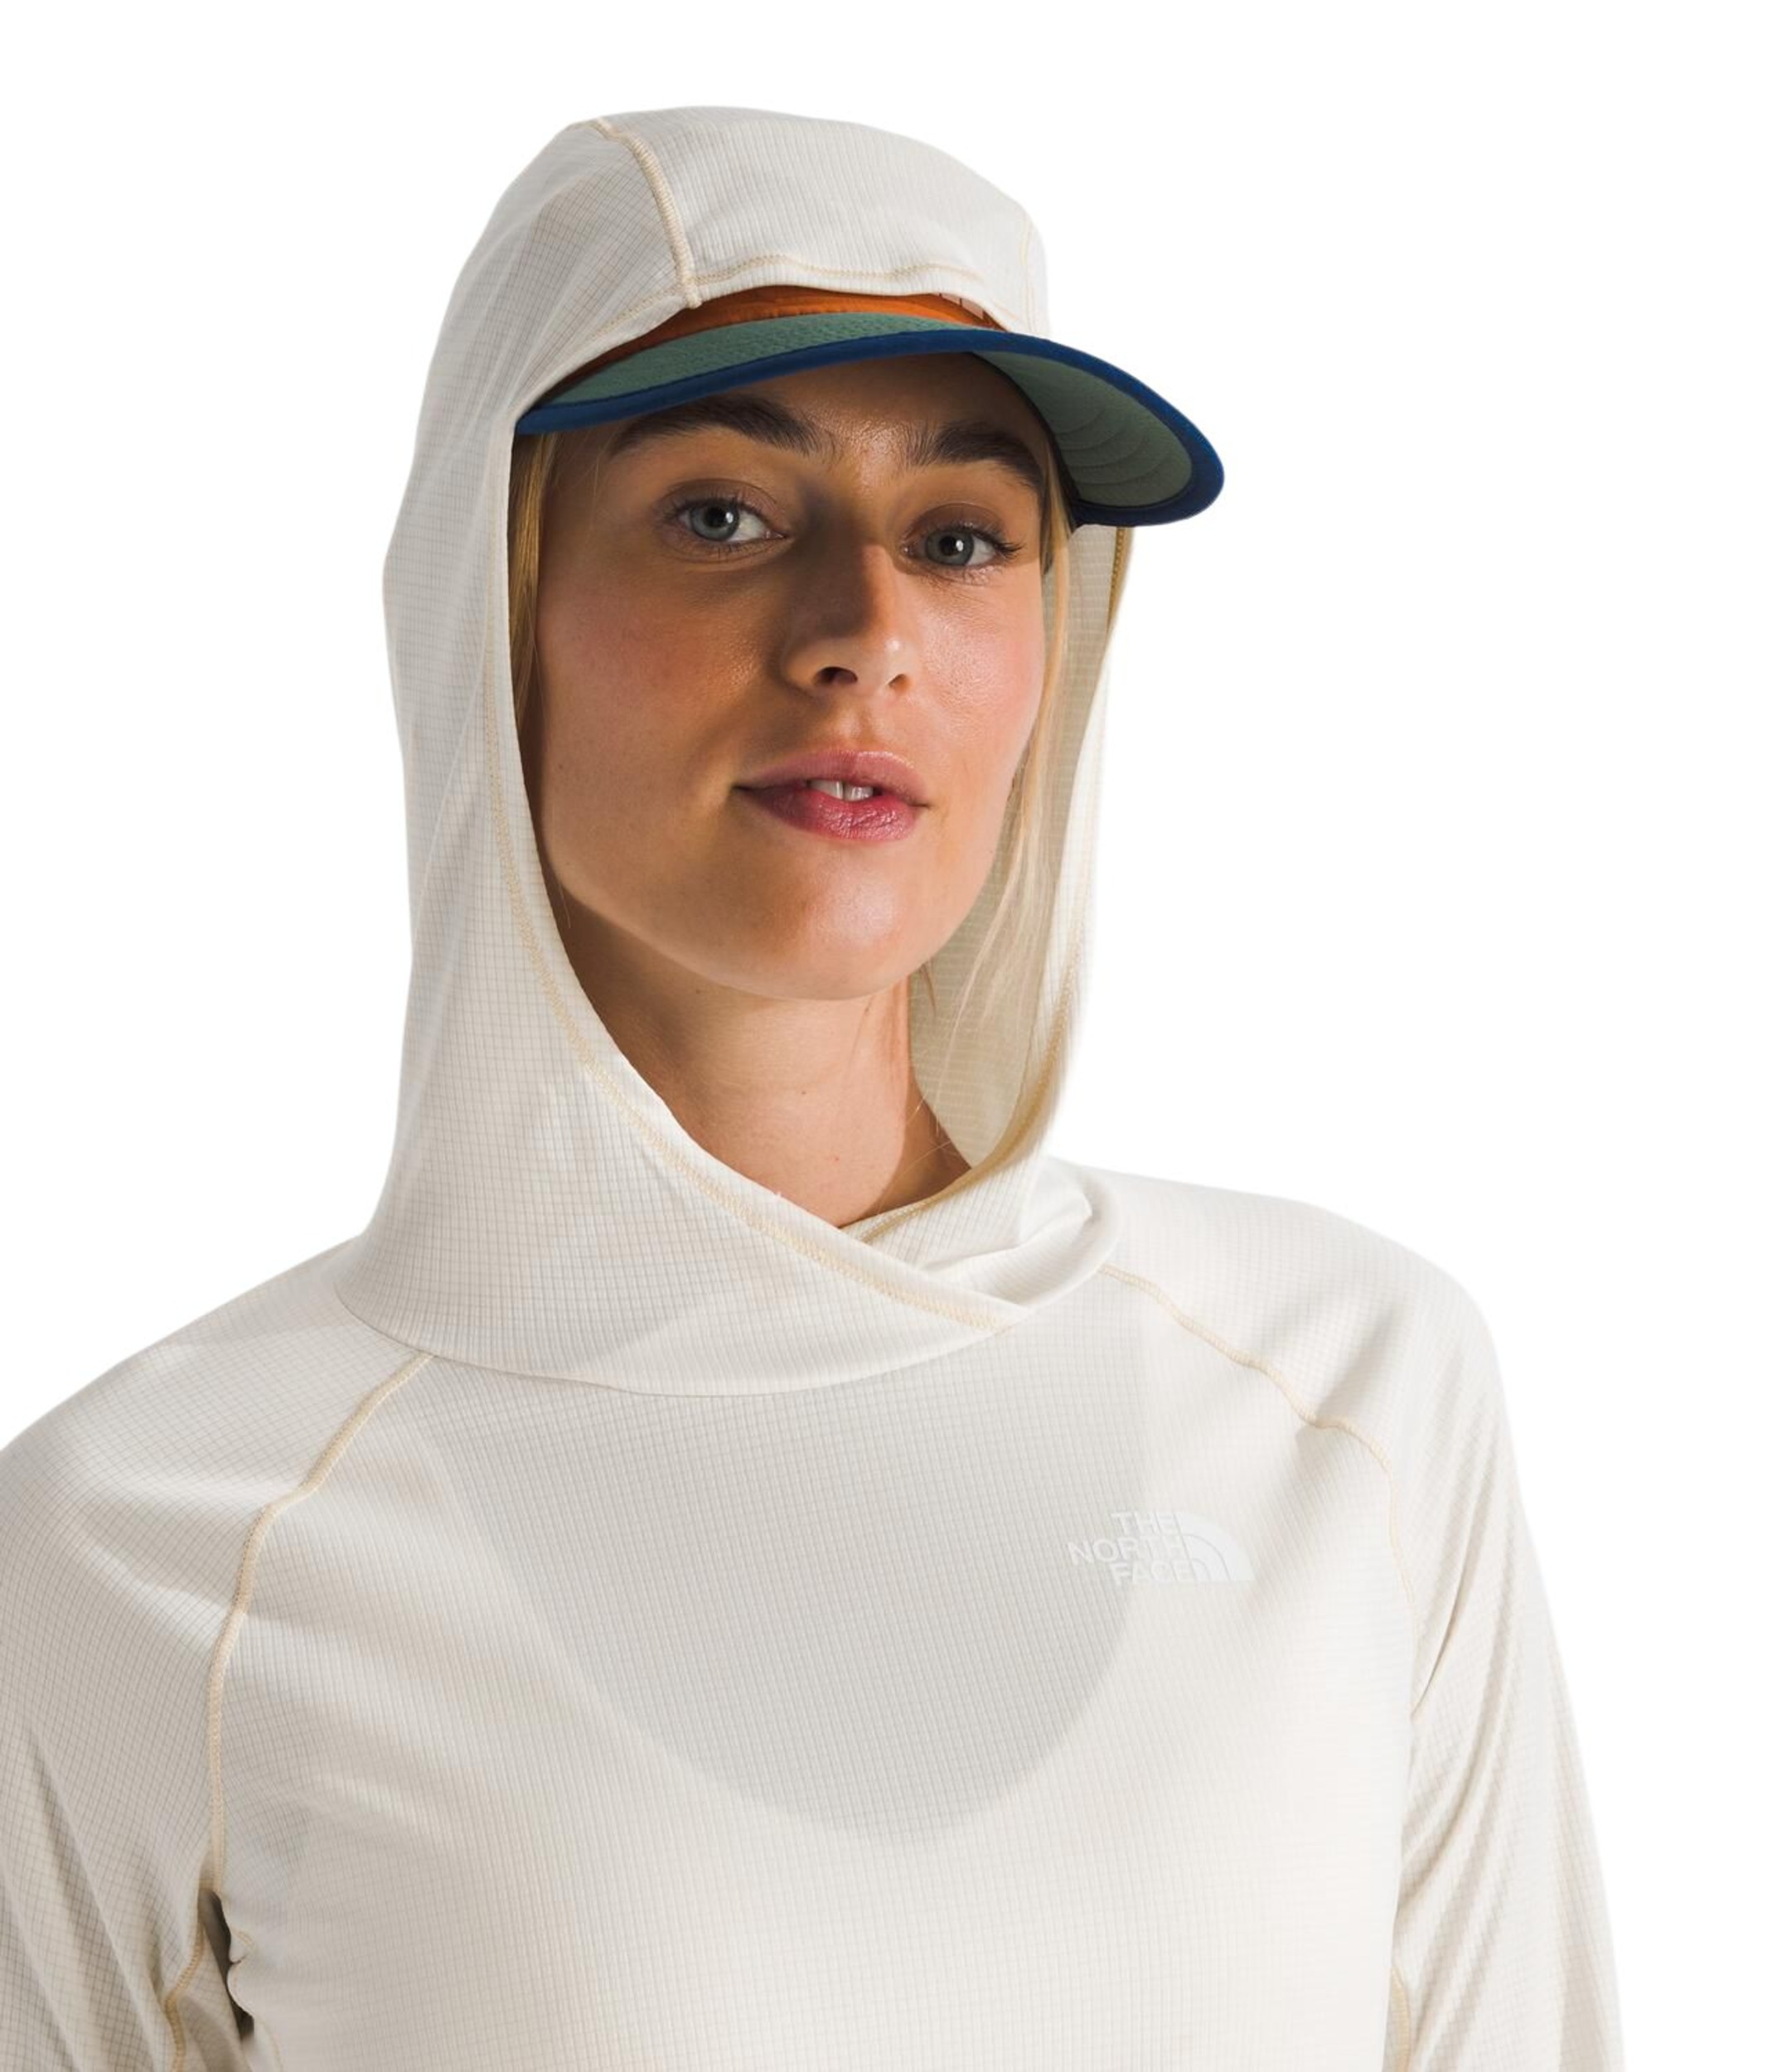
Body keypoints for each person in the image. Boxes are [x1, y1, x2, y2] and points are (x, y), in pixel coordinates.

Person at [0, 105, 1625, 2070]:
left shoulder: (1344, 1396)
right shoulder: (151, 1536)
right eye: (721, 515)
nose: (866, 630)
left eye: (961, 538)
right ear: (486, 599)